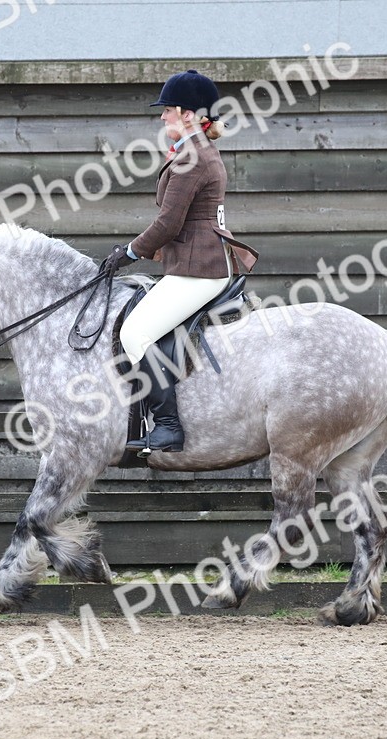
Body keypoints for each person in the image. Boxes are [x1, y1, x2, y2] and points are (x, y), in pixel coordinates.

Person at [102, 69, 258, 453]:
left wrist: (129, 252)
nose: (162, 117)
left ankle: (169, 426)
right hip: (196, 262)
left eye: (167, 110)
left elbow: (169, 223)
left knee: (134, 333)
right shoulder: (196, 152)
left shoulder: (193, 157)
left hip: (198, 269)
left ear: (188, 114)